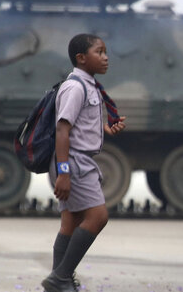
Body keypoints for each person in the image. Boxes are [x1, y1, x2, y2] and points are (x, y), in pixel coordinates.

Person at [41, 33, 126, 292]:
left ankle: (60, 279)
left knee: (71, 222)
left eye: (105, 51)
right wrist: (64, 173)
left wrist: (102, 129)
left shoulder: (88, 85)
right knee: (98, 217)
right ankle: (60, 277)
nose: (105, 57)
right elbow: (62, 129)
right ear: (81, 58)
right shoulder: (76, 87)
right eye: (99, 52)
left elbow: (77, 124)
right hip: (75, 161)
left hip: (77, 158)